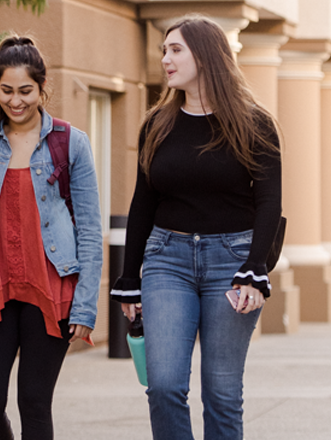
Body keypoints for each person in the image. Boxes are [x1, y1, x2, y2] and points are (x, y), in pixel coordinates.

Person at [110, 16, 282, 440]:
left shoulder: (254, 123)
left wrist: (254, 269)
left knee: (222, 392)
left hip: (233, 262)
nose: (165, 59)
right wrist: (129, 279)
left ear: (205, 55)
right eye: (163, 51)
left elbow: (269, 203)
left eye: (175, 50)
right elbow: (142, 204)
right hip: (167, 261)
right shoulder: (158, 125)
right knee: (164, 384)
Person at [0, 36, 103, 440]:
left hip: (51, 287)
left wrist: (84, 308)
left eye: (25, 91)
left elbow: (90, 230)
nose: (16, 101)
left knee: (33, 400)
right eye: (6, 90)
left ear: (42, 89)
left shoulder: (70, 142)